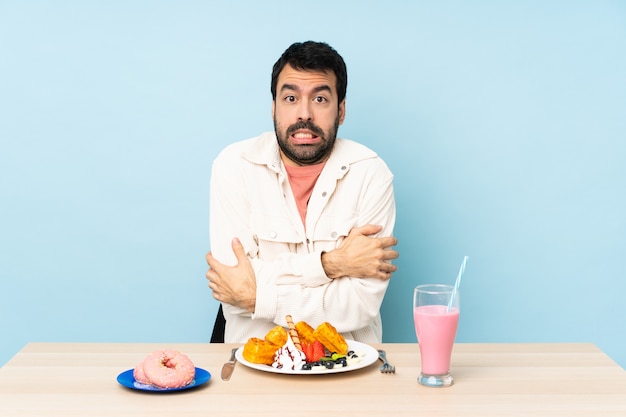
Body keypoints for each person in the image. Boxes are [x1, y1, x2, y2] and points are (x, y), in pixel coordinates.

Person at [205, 41, 398, 344]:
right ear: (273, 107)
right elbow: (231, 291)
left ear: (341, 110)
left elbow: (360, 305)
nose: (304, 114)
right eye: (291, 97)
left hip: (347, 365)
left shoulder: (370, 174)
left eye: (320, 98)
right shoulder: (234, 166)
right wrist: (331, 264)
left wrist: (258, 297)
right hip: (253, 363)